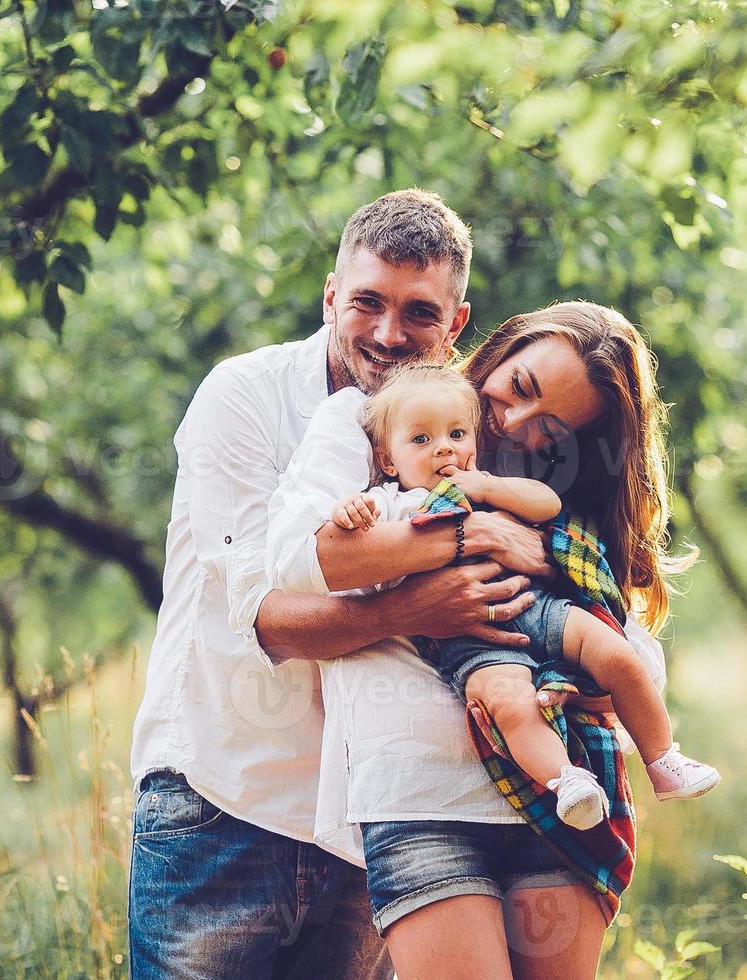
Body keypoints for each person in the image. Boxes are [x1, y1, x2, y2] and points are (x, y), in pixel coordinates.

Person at [127, 189, 552, 979]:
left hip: (372, 813)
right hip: (222, 800)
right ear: (330, 296)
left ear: (456, 324)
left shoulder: (456, 430)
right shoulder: (243, 398)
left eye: (419, 313)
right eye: (366, 303)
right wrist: (432, 588)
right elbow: (273, 624)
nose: (390, 334)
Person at [268, 301, 687, 978]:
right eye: (519, 388)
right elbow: (301, 559)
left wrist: (552, 573)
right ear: (503, 344)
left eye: (550, 426)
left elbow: (634, 655)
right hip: (420, 795)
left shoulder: (544, 494)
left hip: (562, 794)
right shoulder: (386, 414)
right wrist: (465, 544)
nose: (515, 422)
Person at [324, 363, 718, 832]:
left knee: (617, 652)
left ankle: (662, 758)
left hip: (538, 606)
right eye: (421, 440)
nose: (444, 447)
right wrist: (350, 510)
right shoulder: (389, 503)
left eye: (456, 433)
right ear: (389, 460)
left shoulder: (488, 485)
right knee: (511, 706)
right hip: (473, 640)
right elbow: (350, 544)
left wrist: (487, 486)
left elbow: (547, 504)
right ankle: (566, 781)